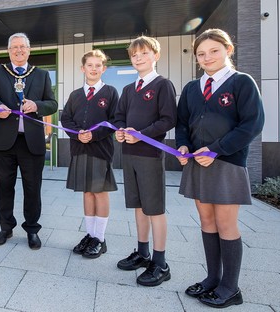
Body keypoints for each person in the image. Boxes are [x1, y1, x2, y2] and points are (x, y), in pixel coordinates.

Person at [176, 28, 264, 308]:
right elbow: (182, 124)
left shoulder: (242, 83)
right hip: (197, 164)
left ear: (228, 50)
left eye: (214, 50)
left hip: (226, 163)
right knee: (206, 222)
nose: (207, 57)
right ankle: (212, 278)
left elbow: (252, 124)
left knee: (226, 224)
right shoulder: (192, 88)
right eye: (201, 54)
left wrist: (217, 150)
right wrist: (183, 147)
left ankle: (231, 287)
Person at [0, 33, 58, 250]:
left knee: (32, 188)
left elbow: (52, 103)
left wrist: (37, 106)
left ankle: (32, 230)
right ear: (8, 51)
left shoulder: (42, 75)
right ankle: (6, 228)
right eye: (14, 47)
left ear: (29, 49)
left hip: (31, 140)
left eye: (22, 47)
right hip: (4, 141)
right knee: (4, 187)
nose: (18, 50)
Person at [114, 36, 177, 286]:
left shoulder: (163, 85)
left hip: (150, 155)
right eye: (134, 55)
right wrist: (120, 130)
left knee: (154, 208)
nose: (138, 58)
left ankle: (160, 262)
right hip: (129, 155)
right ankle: (142, 252)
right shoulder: (129, 89)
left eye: (144, 53)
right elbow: (119, 116)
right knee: (138, 206)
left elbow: (168, 119)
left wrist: (142, 134)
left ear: (155, 56)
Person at [61, 50, 118, 259]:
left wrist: (93, 135)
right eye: (90, 65)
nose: (94, 69)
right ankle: (90, 234)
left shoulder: (110, 92)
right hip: (79, 149)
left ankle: (100, 239)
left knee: (100, 192)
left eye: (98, 65)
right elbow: (65, 119)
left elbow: (114, 120)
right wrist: (78, 134)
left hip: (100, 150)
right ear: (82, 68)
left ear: (103, 68)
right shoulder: (75, 95)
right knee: (87, 191)